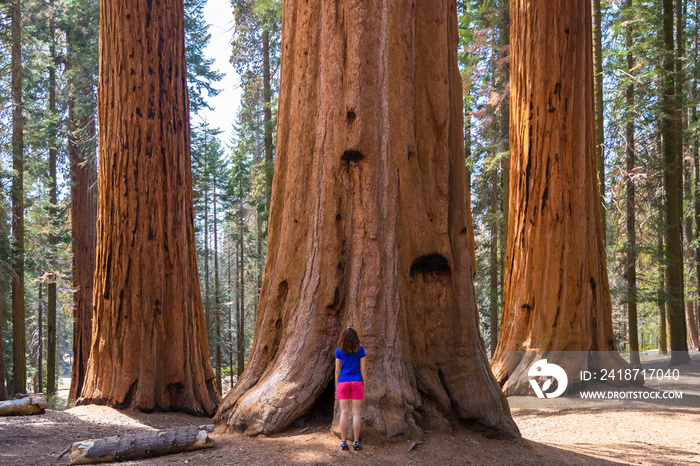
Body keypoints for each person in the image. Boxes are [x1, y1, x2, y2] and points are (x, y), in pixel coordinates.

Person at [335, 327, 366, 451]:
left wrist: (337, 384)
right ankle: (356, 442)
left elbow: (337, 369)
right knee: (356, 413)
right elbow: (363, 369)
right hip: (357, 381)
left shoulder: (338, 350)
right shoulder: (361, 350)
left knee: (344, 412)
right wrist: (364, 382)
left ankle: (343, 441)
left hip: (343, 381)